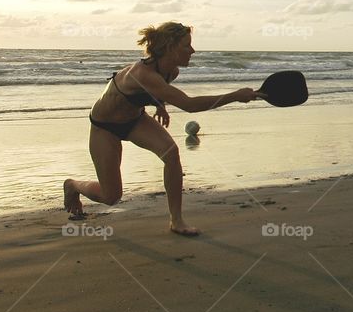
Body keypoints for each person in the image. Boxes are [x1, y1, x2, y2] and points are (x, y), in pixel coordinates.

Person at [63, 23, 259, 236]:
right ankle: (73, 185)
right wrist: (234, 96)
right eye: (187, 46)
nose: (192, 51)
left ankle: (177, 220)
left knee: (171, 153)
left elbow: (155, 91)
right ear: (170, 47)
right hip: (105, 127)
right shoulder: (141, 73)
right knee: (111, 197)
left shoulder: (170, 71)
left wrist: (159, 105)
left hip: (135, 120)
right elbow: (189, 105)